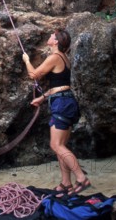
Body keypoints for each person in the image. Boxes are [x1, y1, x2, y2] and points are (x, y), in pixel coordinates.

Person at [22, 29, 91, 194]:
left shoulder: (54, 57)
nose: (50, 36)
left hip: (62, 104)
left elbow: (34, 75)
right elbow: (60, 85)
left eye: (53, 35)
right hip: (66, 101)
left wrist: (26, 60)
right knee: (61, 145)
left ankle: (81, 178)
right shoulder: (64, 58)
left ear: (57, 41)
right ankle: (66, 183)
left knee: (56, 145)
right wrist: (43, 97)